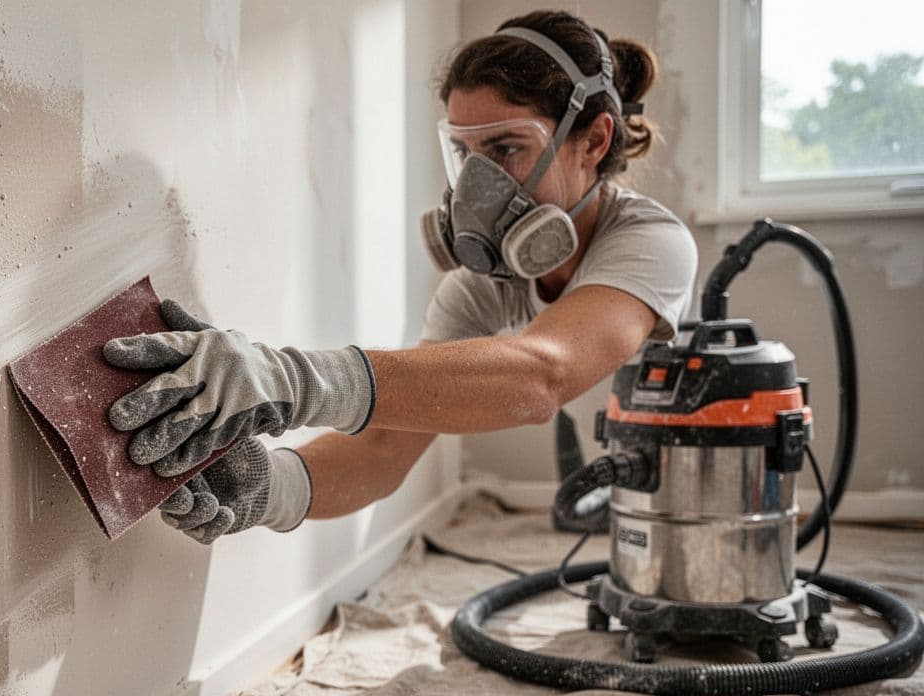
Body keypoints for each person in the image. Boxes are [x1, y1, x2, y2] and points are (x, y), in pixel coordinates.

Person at [102, 10, 697, 544]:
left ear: (593, 141)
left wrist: (290, 381)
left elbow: (543, 375)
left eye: (507, 148)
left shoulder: (652, 242)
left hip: (704, 487)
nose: (476, 188)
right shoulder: (482, 287)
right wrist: (269, 488)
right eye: (466, 155)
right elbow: (386, 448)